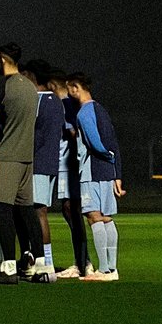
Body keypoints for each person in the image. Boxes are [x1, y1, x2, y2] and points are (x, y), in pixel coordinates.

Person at [0, 43, 47, 285]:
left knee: (3, 209)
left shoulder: (0, 86)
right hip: (26, 157)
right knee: (27, 210)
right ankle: (40, 265)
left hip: (6, 155)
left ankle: (8, 268)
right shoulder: (30, 87)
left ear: (1, 59)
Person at [67, 71, 125, 281]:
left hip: (92, 170)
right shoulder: (101, 108)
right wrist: (116, 170)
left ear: (75, 87)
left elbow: (94, 141)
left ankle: (104, 269)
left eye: (69, 88)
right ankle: (111, 268)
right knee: (107, 218)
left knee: (94, 216)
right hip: (107, 172)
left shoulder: (83, 113)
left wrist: (105, 156)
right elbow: (113, 142)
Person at [47, 68, 91, 278]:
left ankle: (83, 262)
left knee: (72, 209)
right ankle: (82, 261)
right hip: (65, 163)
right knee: (69, 210)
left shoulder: (65, 105)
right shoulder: (68, 105)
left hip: (68, 165)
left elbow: (74, 133)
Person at [24, 58, 63, 280]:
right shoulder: (56, 101)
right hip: (50, 163)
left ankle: (46, 264)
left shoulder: (38, 101)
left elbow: (34, 137)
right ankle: (39, 261)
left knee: (38, 213)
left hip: (37, 163)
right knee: (39, 212)